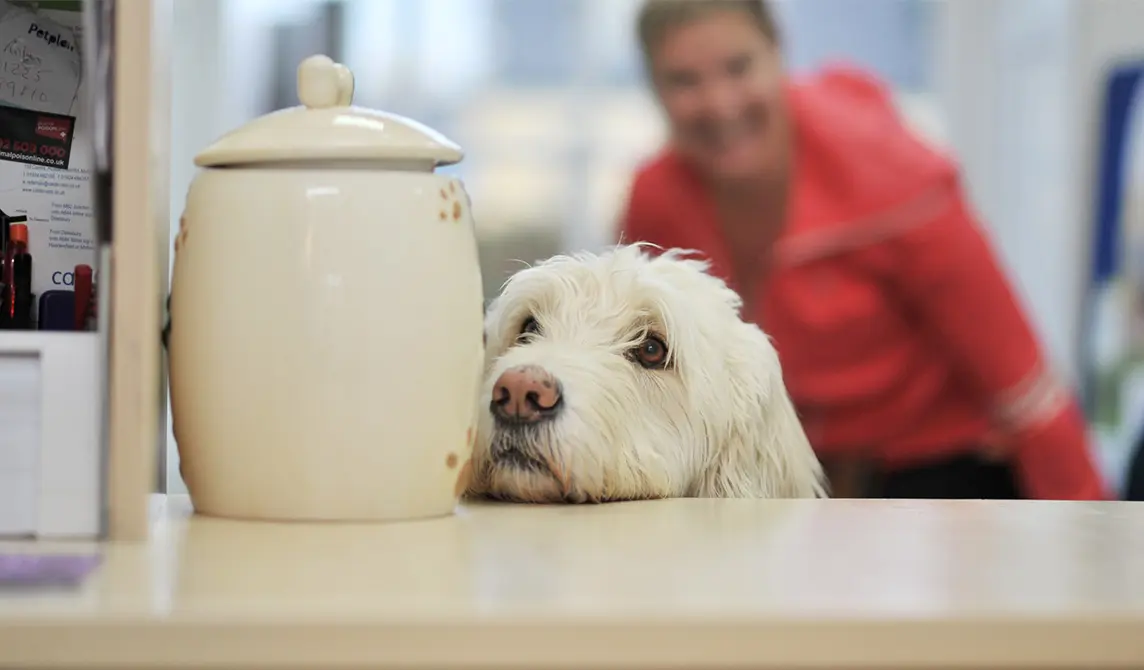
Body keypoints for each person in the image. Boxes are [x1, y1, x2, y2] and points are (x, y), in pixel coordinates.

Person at [618, 0, 1106, 499]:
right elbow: (633, 381)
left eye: (739, 67)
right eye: (683, 81)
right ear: (655, 91)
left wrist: (1101, 547)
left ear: (778, 56)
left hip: (938, 474)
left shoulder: (892, 174)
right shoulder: (655, 198)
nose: (719, 104)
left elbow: (1026, 391)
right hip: (779, 474)